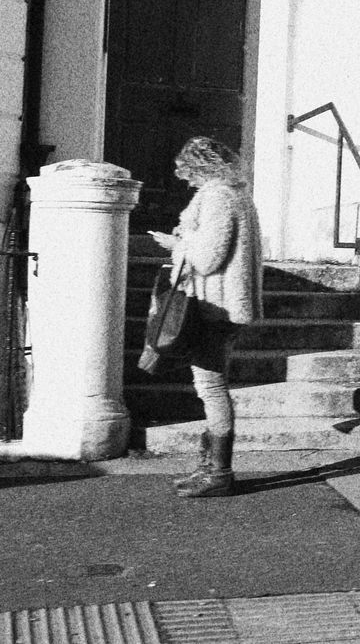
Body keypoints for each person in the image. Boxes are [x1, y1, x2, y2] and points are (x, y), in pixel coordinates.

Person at [149, 136, 263, 498]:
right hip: (227, 305)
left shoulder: (216, 196)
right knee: (210, 385)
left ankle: (218, 473)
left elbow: (209, 258)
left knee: (211, 388)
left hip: (215, 306)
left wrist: (176, 244)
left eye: (187, 172)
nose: (185, 180)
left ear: (201, 167)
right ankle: (210, 469)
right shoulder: (237, 195)